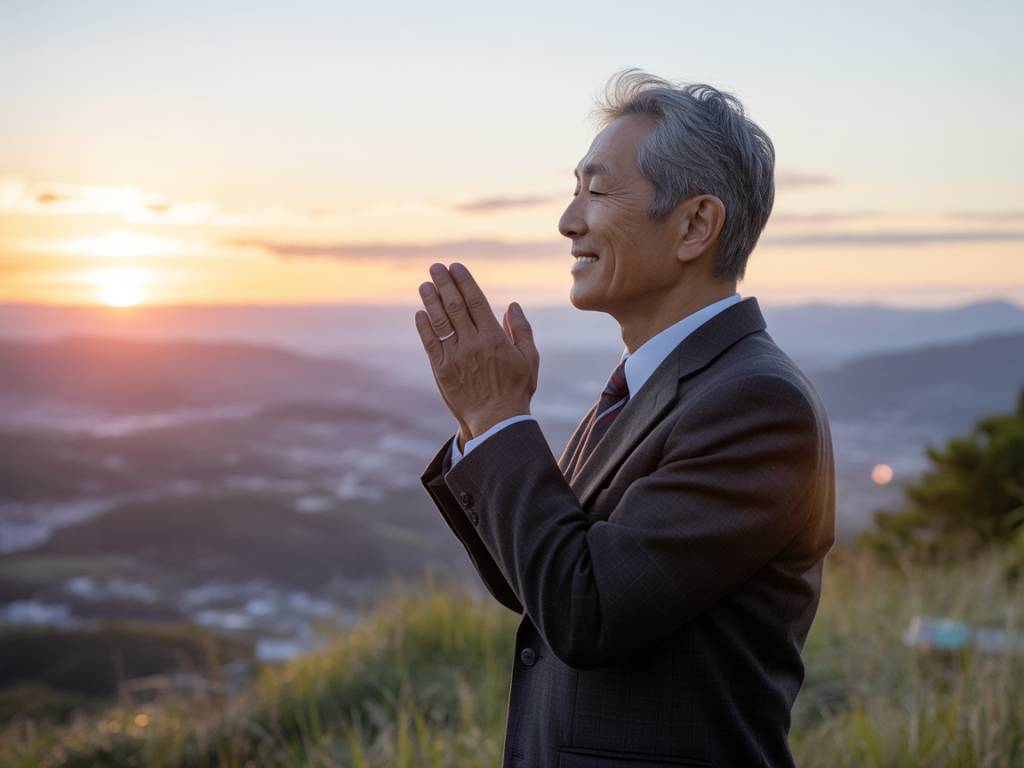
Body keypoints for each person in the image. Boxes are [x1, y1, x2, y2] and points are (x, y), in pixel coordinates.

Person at [416, 68, 835, 768]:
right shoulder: (646, 387)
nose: (567, 220)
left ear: (695, 225)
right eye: (572, 189)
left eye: (598, 190)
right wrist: (479, 428)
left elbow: (587, 611)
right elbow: (536, 581)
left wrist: (498, 419)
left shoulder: (757, 403)